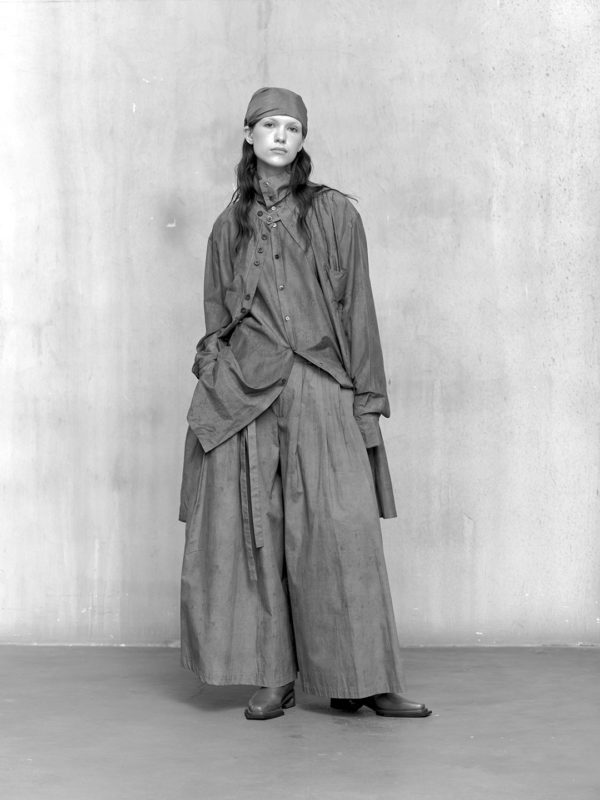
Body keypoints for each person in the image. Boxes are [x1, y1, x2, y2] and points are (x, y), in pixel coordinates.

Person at [179, 87, 431, 721]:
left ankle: (361, 679)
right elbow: (215, 317)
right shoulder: (227, 226)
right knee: (258, 534)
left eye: (292, 127)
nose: (281, 136)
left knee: (341, 531)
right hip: (249, 392)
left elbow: (359, 310)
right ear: (249, 135)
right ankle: (274, 675)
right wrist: (215, 372)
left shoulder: (335, 213)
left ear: (302, 140)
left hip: (322, 383)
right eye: (270, 125)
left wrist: (367, 403)